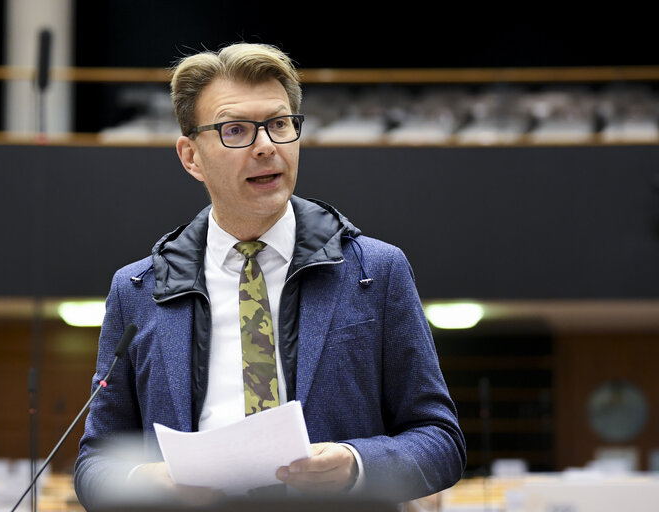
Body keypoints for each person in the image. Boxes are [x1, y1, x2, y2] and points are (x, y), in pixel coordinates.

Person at [74, 42, 466, 508]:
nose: (266, 146)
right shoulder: (137, 290)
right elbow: (94, 464)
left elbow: (442, 442)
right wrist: (145, 480)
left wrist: (355, 464)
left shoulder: (374, 271)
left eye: (279, 125)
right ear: (191, 156)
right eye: (235, 130)